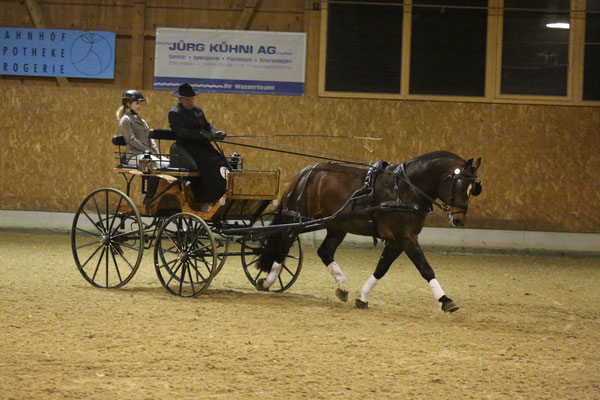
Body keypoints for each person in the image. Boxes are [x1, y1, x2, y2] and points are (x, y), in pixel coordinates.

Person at [168, 83, 229, 203]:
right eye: (187, 99)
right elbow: (181, 133)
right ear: (180, 99)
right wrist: (200, 134)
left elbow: (207, 126)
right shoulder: (175, 113)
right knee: (210, 163)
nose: (191, 101)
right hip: (187, 146)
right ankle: (213, 195)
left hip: (203, 145)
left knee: (221, 160)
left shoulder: (198, 110)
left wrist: (215, 133)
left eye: (192, 98)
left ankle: (225, 190)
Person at [116, 89, 168, 205]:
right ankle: (149, 199)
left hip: (145, 155)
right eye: (137, 103)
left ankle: (160, 197)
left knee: (168, 164)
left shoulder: (142, 121)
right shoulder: (126, 120)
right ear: (128, 104)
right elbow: (131, 139)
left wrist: (155, 150)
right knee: (155, 165)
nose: (140, 106)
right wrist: (147, 150)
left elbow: (150, 137)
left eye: (140, 104)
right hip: (133, 157)